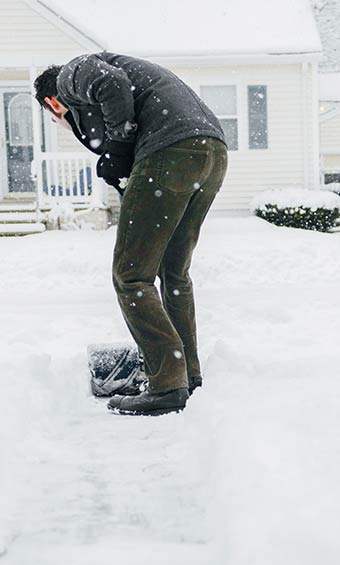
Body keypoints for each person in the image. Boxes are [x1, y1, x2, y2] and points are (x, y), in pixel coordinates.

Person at [34, 53, 228, 416]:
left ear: (52, 103)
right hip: (210, 151)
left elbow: (111, 84)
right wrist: (121, 161)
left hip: (170, 150)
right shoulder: (134, 80)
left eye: (53, 116)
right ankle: (187, 374)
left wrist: (119, 150)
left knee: (131, 275)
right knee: (174, 273)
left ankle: (167, 382)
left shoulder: (70, 75)